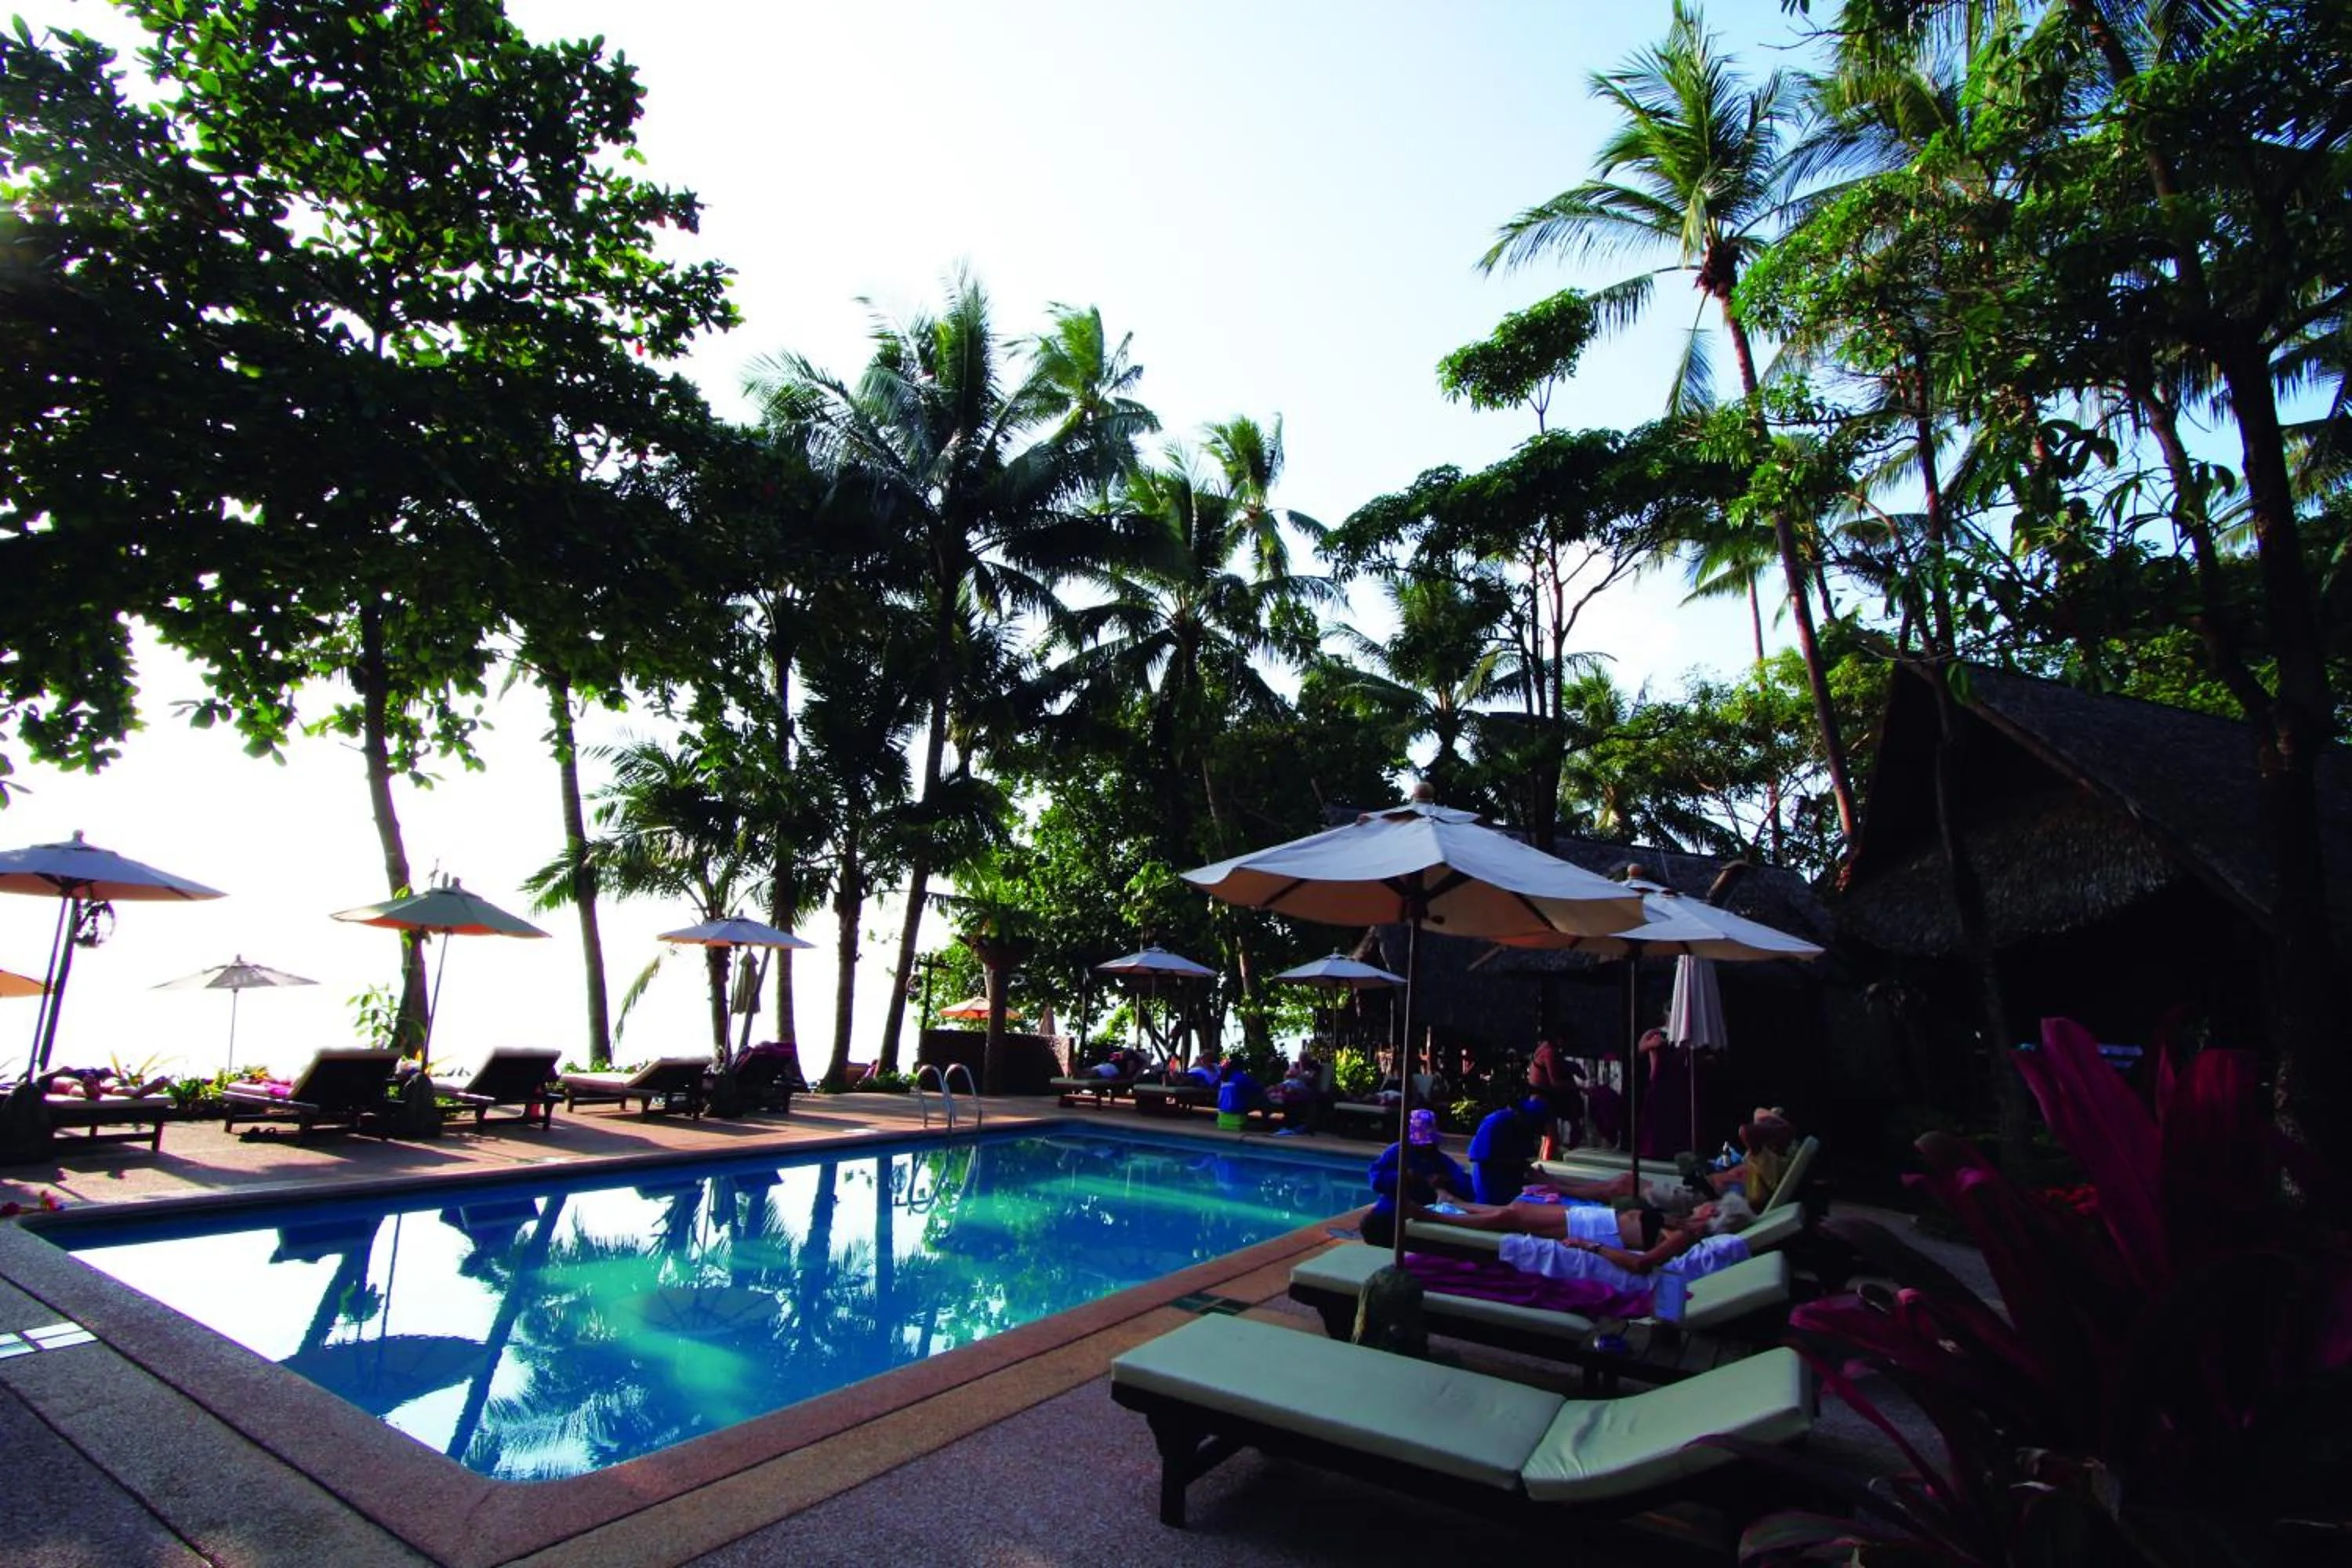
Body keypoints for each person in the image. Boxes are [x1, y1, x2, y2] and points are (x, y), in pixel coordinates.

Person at [1493, 1194, 1757, 1294]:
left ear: (1713, 1213)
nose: (1707, 1202)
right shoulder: (1689, 1237)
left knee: (1535, 1242)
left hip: (1618, 1271)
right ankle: (1457, 1213)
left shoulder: (1692, 1238)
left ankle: (1459, 1222)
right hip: (1618, 1263)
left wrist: (1590, 1246)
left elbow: (1640, 1263)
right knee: (1521, 1222)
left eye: (1714, 1203)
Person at [1362, 1107, 1468, 1247]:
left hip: (1425, 1211)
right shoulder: (1396, 1152)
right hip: (1395, 1206)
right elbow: (1376, 1180)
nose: (1425, 1147)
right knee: (1372, 1224)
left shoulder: (1440, 1159)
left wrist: (1445, 1181)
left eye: (1429, 1144)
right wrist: (1401, 1177)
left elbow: (1465, 1184)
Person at [1465, 1095, 1552, 1205]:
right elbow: (1481, 1157)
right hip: (1489, 1175)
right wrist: (1520, 1166)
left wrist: (1530, 1171)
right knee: (1490, 1206)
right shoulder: (1496, 1122)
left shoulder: (1522, 1126)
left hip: (1510, 1178)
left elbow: (1522, 1156)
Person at [1525, 1033, 1586, 1157]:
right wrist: (1580, 1087)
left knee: (1550, 1136)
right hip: (1541, 1098)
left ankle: (1546, 1160)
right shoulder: (1549, 1052)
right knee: (1552, 1137)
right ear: (1559, 1039)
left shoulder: (1544, 1047)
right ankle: (1547, 1163)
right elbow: (1555, 1082)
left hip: (1542, 1097)